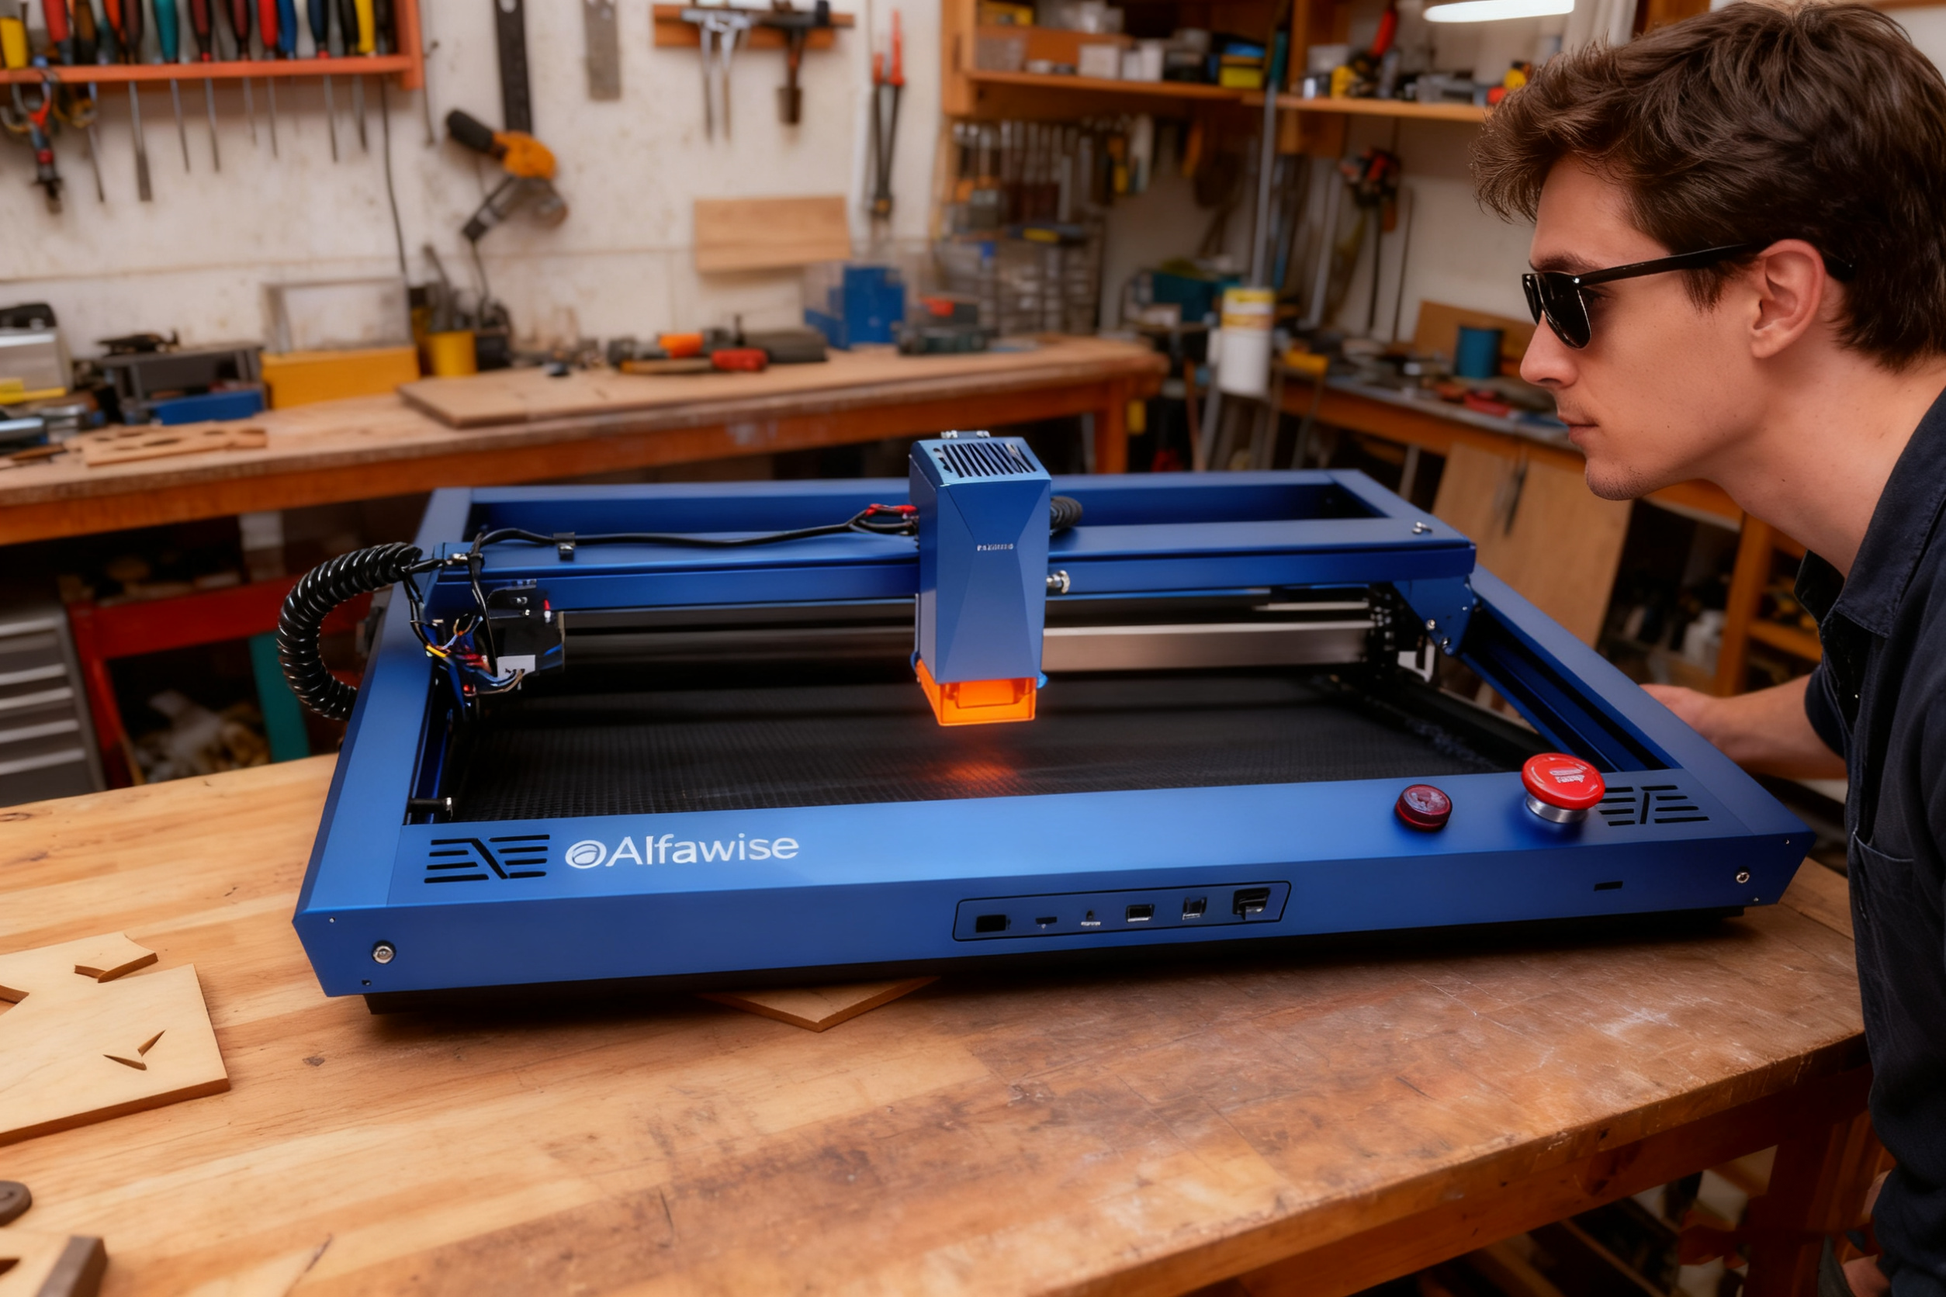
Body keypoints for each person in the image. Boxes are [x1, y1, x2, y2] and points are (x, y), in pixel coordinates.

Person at [1471, 4, 1946, 1292]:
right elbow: (1865, 703)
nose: (1539, 357)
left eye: (1573, 299)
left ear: (1774, 296)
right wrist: (1714, 728)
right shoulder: (1898, 564)